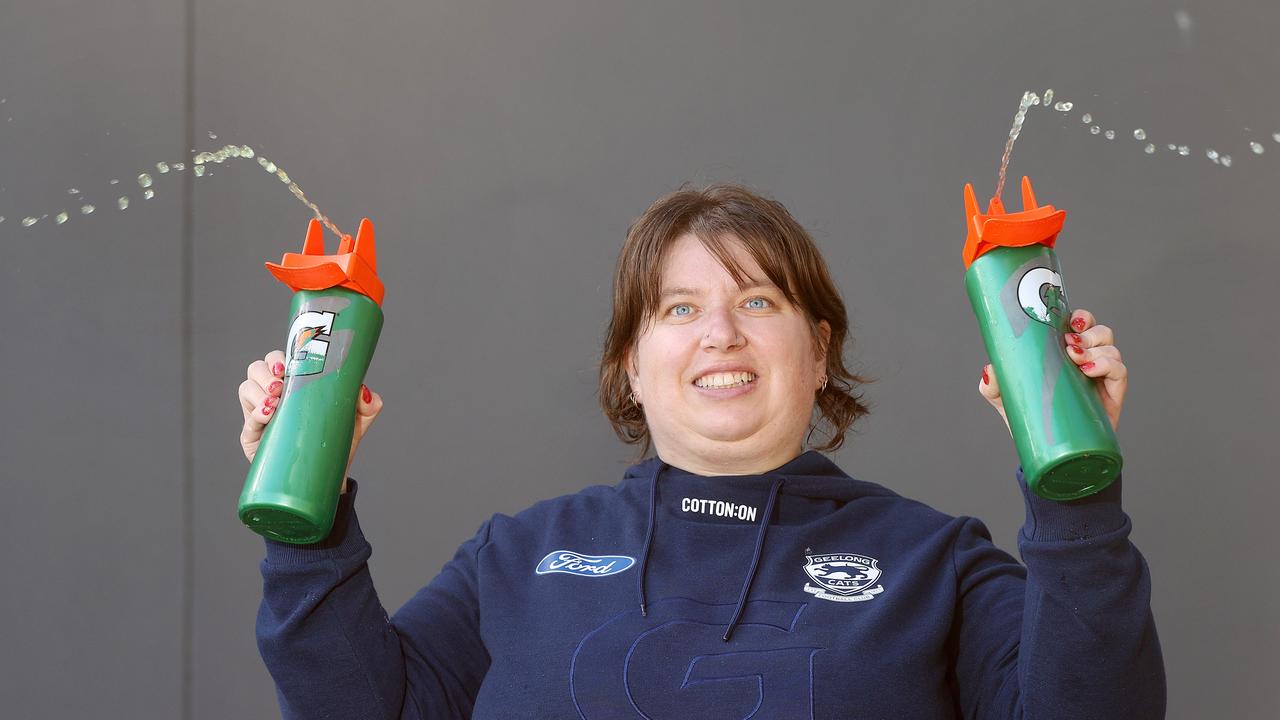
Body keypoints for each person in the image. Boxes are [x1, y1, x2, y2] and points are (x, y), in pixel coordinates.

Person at [238, 183, 1165, 718]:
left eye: (759, 301)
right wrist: (306, 516)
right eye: (679, 309)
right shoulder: (514, 560)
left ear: (819, 351)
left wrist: (1076, 493)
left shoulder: (935, 563)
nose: (720, 332)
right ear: (632, 366)